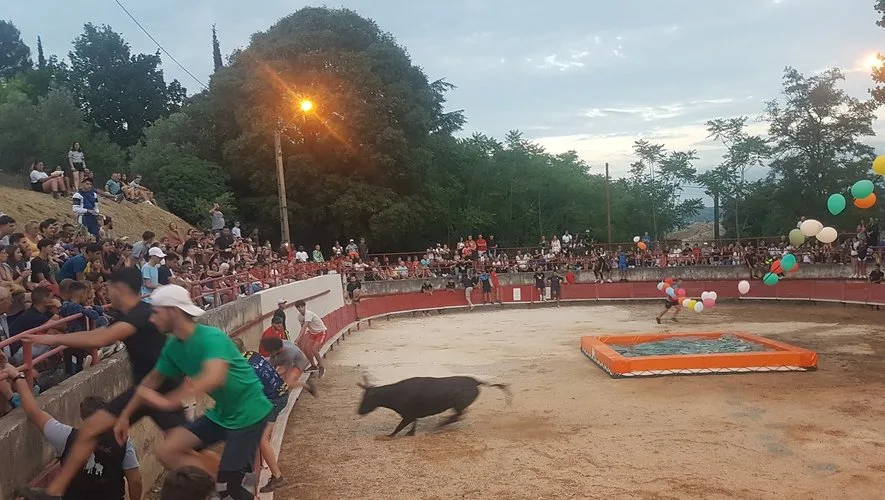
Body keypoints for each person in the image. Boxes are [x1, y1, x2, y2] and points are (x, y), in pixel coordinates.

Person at [15, 268, 190, 500]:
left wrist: (49, 337)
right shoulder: (138, 314)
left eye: (108, 288)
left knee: (184, 452)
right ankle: (55, 492)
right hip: (151, 392)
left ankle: (226, 479)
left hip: (155, 391)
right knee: (92, 431)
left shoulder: (139, 315)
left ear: (120, 289)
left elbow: (99, 339)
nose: (106, 293)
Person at [114, 284, 270, 500]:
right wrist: (124, 415)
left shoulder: (210, 338)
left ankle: (227, 484)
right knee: (167, 451)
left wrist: (168, 402)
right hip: (223, 413)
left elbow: (213, 376)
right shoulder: (173, 347)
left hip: (250, 414)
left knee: (229, 489)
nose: (151, 319)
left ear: (174, 312)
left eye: (156, 313)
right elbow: (148, 383)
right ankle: (221, 483)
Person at [1, 357, 142, 500]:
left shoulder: (66, 436)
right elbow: (135, 480)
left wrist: (18, 376)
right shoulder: (124, 442)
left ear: (83, 417)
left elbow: (33, 411)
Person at [234, 337, 315, 493]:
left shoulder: (243, 366)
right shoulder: (253, 355)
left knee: (262, 439)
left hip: (274, 400)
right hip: (279, 393)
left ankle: (278, 477)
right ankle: (304, 384)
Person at [294, 299, 327, 377]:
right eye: (298, 307)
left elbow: (305, 326)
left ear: (304, 306)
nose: (300, 309)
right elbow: (302, 328)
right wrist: (300, 338)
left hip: (321, 332)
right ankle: (313, 365)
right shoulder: (300, 316)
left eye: (301, 307)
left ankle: (321, 367)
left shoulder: (308, 314)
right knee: (306, 348)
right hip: (313, 333)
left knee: (314, 349)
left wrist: (298, 339)